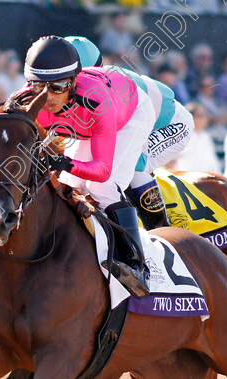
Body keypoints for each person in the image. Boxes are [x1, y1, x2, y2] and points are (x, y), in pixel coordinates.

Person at [25, 36, 155, 298]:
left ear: (73, 81)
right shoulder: (25, 99)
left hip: (129, 114)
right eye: (39, 86)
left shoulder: (99, 103)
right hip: (84, 121)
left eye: (58, 87)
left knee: (102, 186)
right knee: (70, 183)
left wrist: (64, 162)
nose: (47, 97)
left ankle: (137, 265)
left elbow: (102, 169)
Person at [65, 36, 194, 231]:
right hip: (140, 118)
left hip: (172, 123)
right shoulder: (95, 85)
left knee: (133, 164)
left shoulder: (107, 89)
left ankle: (161, 229)